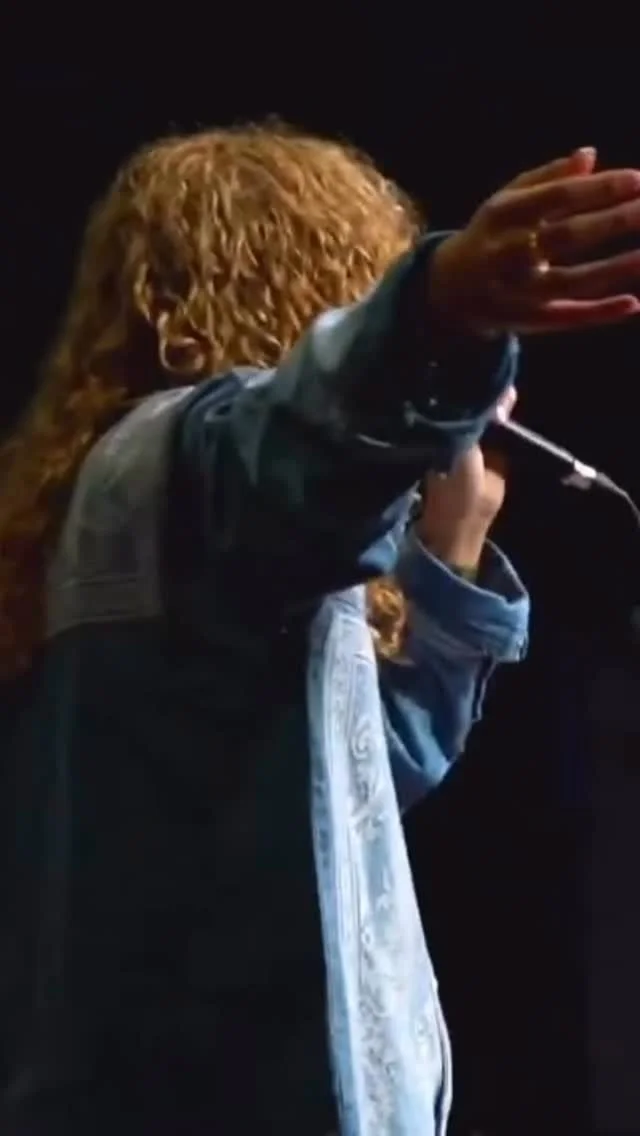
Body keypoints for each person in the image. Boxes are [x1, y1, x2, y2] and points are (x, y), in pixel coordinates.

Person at [1, 128, 640, 1135]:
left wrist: (450, 555)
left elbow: (350, 781)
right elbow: (315, 432)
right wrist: (437, 318)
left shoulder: (139, 499)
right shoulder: (196, 461)